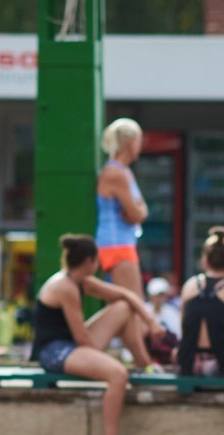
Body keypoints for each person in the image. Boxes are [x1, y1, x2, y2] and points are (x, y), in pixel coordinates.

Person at [29, 233, 164, 435]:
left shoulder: (81, 280)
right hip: (53, 351)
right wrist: (104, 363)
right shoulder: (65, 286)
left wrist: (151, 321)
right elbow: (82, 337)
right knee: (117, 375)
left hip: (71, 344)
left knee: (122, 308)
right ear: (90, 261)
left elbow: (126, 295)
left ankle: (145, 365)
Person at [175, 227, 224, 377]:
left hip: (188, 364)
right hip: (223, 366)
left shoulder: (189, 285)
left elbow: (184, 331)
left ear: (205, 260)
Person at [95, 118, 149, 300]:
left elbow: (139, 210)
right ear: (130, 142)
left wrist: (138, 211)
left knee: (128, 303)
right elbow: (136, 213)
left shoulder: (125, 172)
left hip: (122, 242)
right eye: (139, 140)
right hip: (116, 244)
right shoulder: (115, 173)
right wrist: (138, 211)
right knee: (132, 302)